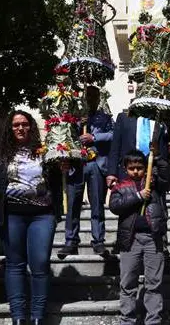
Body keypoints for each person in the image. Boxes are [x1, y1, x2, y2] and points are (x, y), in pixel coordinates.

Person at [0, 110, 57, 325]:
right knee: (15, 265)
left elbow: (64, 177)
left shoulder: (45, 152)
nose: (20, 128)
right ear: (10, 129)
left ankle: (37, 317)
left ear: (31, 127)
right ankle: (18, 317)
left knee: (40, 263)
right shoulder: (3, 154)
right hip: (12, 215)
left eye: (24, 124)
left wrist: (67, 168)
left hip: (42, 215)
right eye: (15, 125)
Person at [109, 149, 170, 325]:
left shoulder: (153, 182)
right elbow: (114, 206)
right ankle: (127, 320)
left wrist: (156, 157)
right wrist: (138, 196)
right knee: (128, 283)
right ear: (125, 169)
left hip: (153, 238)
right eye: (131, 168)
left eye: (140, 167)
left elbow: (167, 176)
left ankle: (153, 320)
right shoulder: (120, 187)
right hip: (131, 240)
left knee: (154, 283)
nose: (136, 171)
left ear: (146, 167)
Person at [58, 85, 114, 256]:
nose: (90, 100)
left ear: (98, 99)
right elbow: (64, 136)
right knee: (73, 204)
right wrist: (76, 125)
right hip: (77, 164)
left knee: (97, 205)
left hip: (96, 164)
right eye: (87, 96)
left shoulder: (106, 118)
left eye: (94, 97)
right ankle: (71, 241)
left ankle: (98, 241)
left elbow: (113, 134)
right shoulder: (74, 118)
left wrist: (94, 137)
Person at [106, 110, 168, 186]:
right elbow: (115, 147)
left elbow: (163, 149)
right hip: (127, 174)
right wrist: (112, 173)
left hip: (151, 175)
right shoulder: (124, 118)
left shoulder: (159, 120)